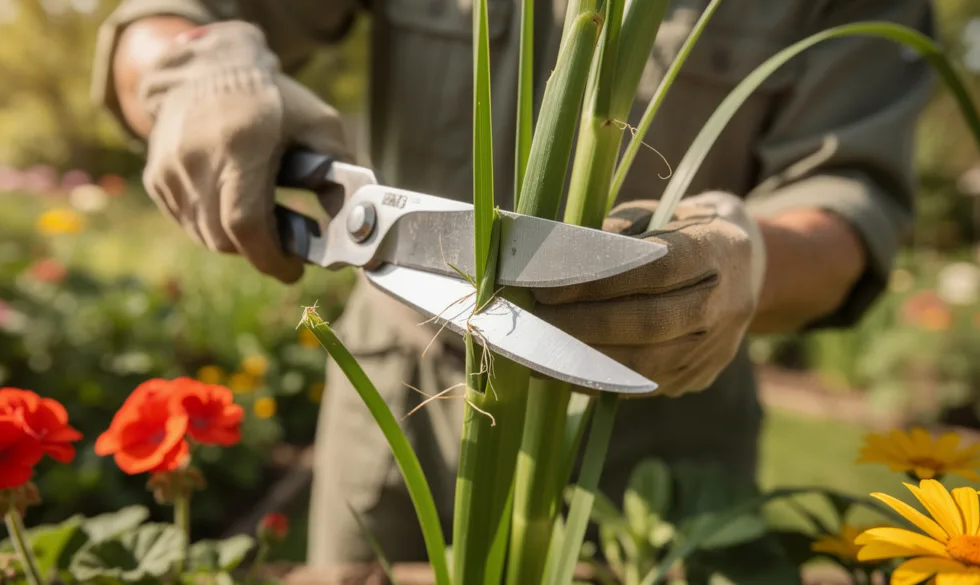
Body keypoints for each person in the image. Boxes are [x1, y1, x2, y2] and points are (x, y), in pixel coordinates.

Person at [91, 0, 936, 572]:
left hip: (660, 446)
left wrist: (748, 262)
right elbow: (161, 18)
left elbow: (850, 206)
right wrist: (193, 69)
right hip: (396, 417)